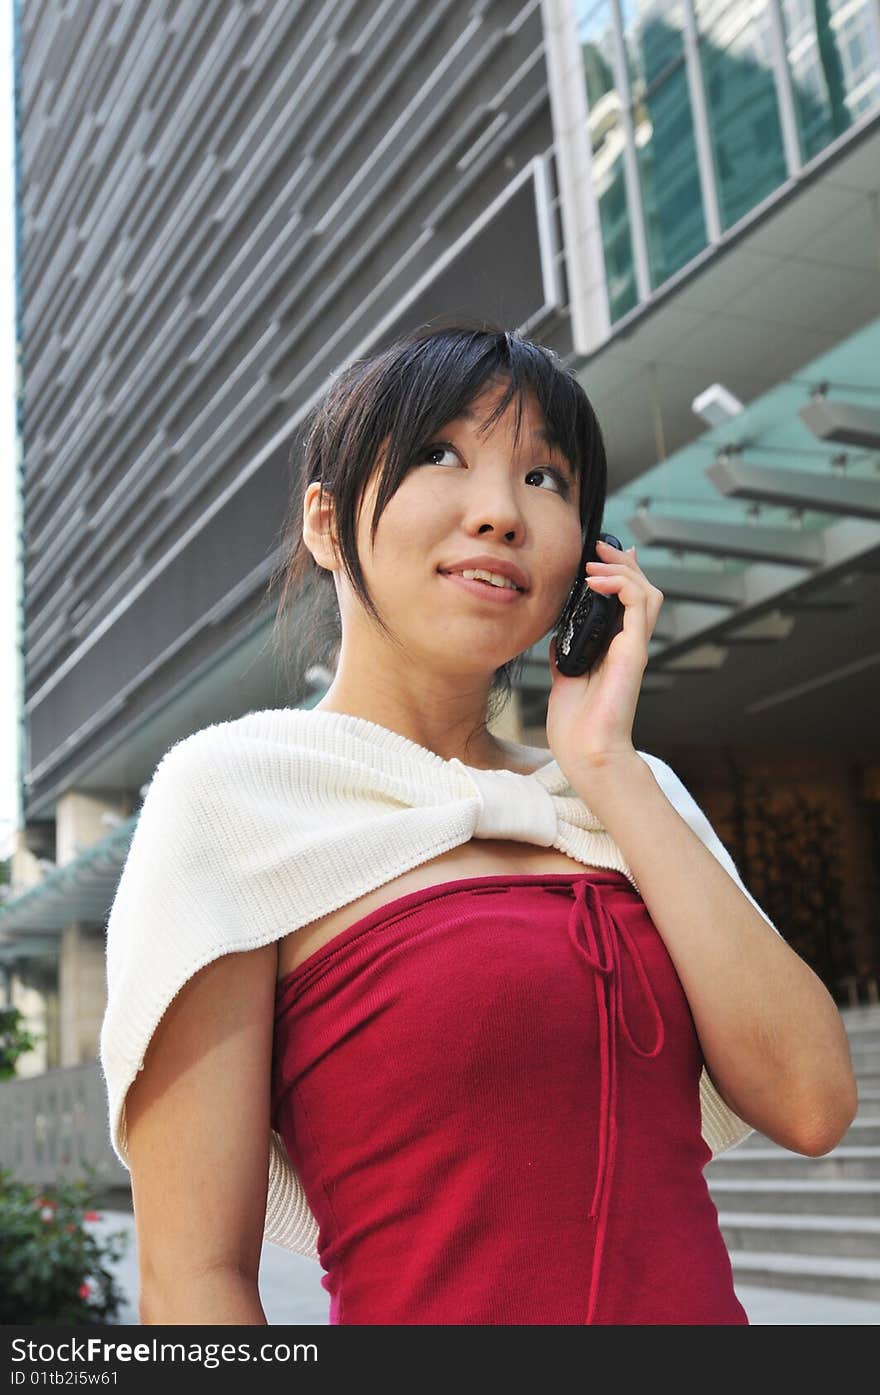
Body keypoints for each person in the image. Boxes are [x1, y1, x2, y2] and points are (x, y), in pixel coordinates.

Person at [100, 321, 857, 1326]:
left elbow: (810, 1103)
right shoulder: (236, 799)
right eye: (438, 454)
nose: (500, 512)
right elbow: (195, 1280)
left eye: (545, 478)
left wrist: (604, 765)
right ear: (328, 526)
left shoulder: (626, 793)